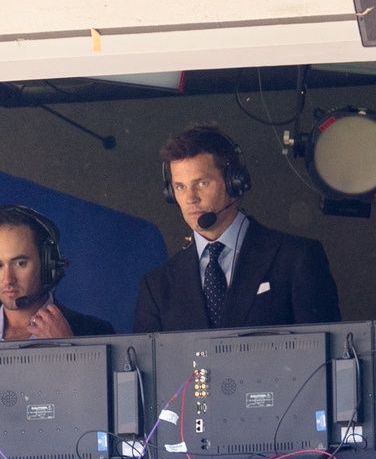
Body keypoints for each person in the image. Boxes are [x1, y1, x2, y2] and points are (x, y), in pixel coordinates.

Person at [134, 125, 341, 332]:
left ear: (234, 182)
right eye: (180, 187)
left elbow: (324, 353)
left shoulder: (296, 259)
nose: (190, 198)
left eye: (202, 183)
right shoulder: (157, 285)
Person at [0, 205, 114, 340]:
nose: (7, 279)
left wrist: (69, 348)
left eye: (20, 264)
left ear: (48, 264)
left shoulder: (96, 331)